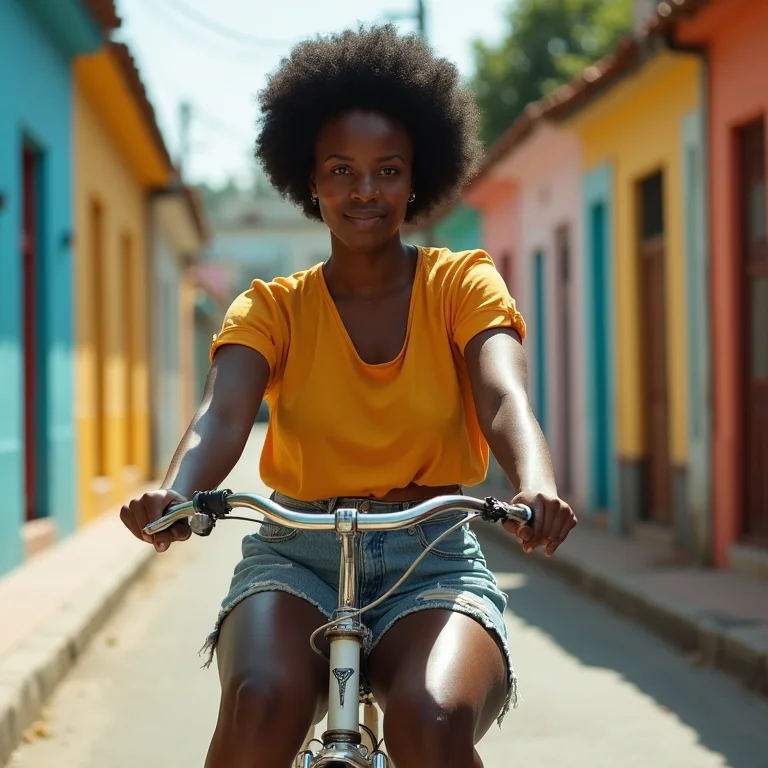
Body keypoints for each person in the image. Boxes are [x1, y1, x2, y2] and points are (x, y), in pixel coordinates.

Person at [120, 24, 577, 768]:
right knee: (259, 703)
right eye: (341, 170)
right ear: (310, 180)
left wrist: (536, 481)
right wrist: (175, 494)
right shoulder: (271, 307)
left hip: (432, 556)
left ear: (415, 178)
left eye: (388, 170)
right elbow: (223, 415)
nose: (365, 190)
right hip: (295, 554)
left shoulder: (461, 284)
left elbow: (502, 395)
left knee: (432, 721)